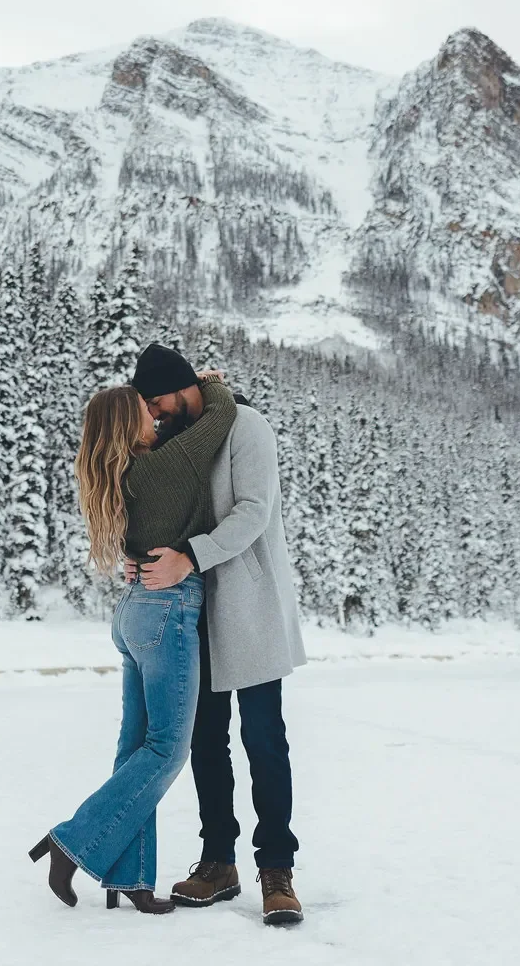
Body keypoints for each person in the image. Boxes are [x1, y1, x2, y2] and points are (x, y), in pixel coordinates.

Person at [29, 369, 237, 914]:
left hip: (135, 613)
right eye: (145, 410)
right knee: (167, 750)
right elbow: (219, 419)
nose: (155, 414)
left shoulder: (122, 473)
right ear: (129, 423)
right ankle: (71, 840)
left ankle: (132, 879)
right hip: (166, 610)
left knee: (135, 750)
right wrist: (205, 382)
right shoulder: (164, 467)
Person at [128, 343, 307, 926]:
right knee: (206, 742)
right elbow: (159, 511)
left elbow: (254, 510)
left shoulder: (247, 426)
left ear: (182, 387)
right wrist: (141, 561)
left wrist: (191, 557)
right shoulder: (177, 437)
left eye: (158, 401)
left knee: (264, 740)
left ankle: (276, 869)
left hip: (249, 606)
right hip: (193, 610)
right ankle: (217, 863)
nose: (156, 414)